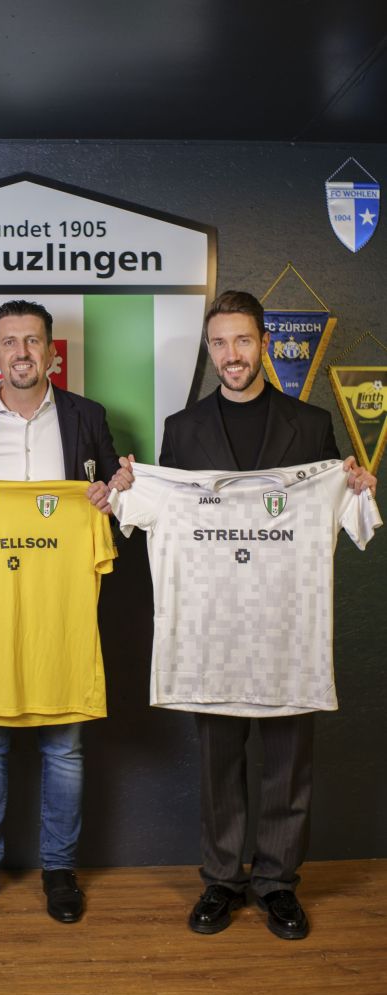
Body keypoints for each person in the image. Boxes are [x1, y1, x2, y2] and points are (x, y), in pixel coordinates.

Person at [111, 290, 376, 940]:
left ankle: (278, 884)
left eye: (242, 340)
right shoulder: (182, 429)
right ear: (210, 351)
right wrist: (130, 488)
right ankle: (222, 881)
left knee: (289, 762)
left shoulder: (310, 423)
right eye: (219, 343)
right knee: (218, 762)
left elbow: (332, 514)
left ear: (264, 343)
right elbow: (163, 516)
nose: (231, 354)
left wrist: (354, 486)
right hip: (215, 626)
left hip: (286, 625)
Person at [0, 299, 120, 923]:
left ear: (51, 353)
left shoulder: (89, 417)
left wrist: (115, 492)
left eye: (33, 341)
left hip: (59, 618)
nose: (22, 352)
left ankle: (59, 871)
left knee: (65, 750)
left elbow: (117, 498)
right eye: (9, 342)